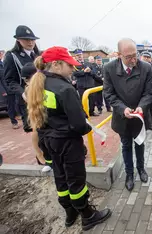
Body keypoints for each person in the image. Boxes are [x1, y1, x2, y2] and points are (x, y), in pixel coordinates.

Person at [26, 46, 111, 230]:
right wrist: (86, 126)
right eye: (69, 65)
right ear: (56, 64)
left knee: (60, 177)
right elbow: (80, 125)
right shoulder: (65, 89)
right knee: (76, 180)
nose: (73, 69)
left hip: (48, 141)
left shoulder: (38, 84)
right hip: (67, 142)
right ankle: (88, 215)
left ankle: (70, 213)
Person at [103, 38, 152, 191]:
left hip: (139, 115)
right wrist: (122, 108)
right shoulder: (109, 68)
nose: (133, 59)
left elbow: (149, 92)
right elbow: (109, 93)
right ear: (119, 55)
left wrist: (141, 107)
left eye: (135, 55)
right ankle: (129, 174)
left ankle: (141, 169)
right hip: (122, 116)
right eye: (129, 57)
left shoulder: (146, 67)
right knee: (126, 146)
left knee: (140, 143)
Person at [3, 25, 40, 130]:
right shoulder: (11, 56)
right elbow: (9, 80)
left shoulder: (38, 54)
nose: (30, 42)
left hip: (43, 95)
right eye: (26, 39)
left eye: (32, 39)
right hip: (26, 98)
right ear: (18, 40)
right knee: (34, 129)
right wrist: (22, 93)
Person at [21, 62, 52, 172]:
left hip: (46, 115)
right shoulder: (28, 89)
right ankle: (40, 156)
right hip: (36, 115)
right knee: (36, 130)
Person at [72, 49, 98, 116]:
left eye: (80, 55)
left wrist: (90, 71)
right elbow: (75, 74)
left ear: (82, 55)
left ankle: (91, 111)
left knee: (92, 99)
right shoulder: (74, 64)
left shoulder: (88, 63)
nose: (79, 56)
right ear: (75, 56)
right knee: (82, 100)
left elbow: (94, 73)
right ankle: (84, 113)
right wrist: (84, 72)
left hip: (90, 84)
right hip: (81, 85)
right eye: (77, 55)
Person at [140, 51, 152, 131]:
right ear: (141, 57)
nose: (146, 59)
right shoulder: (138, 66)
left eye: (148, 57)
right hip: (142, 92)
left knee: (151, 109)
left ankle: (149, 125)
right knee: (143, 109)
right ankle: (142, 126)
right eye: (144, 57)